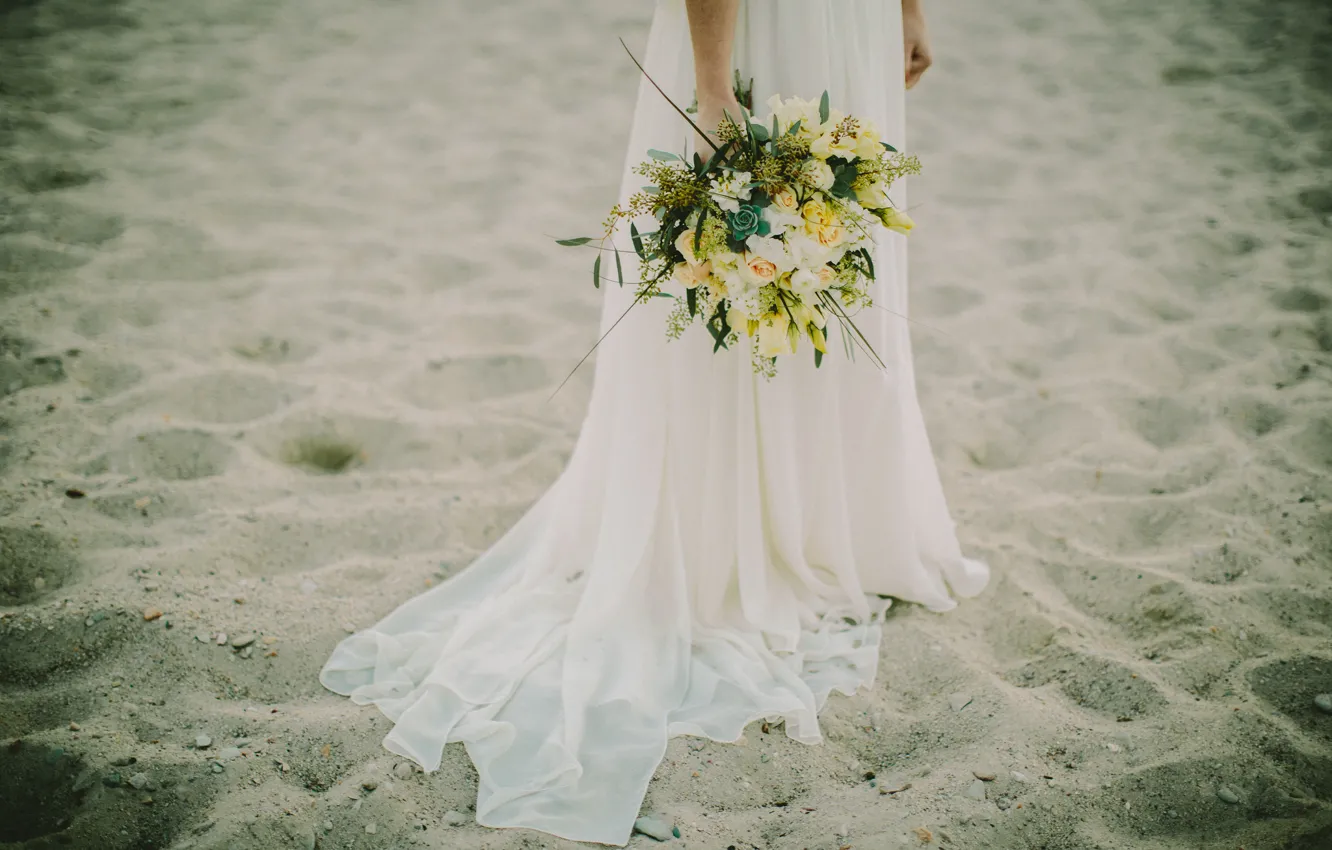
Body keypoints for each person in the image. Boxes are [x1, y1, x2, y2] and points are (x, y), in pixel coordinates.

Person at [319, 1, 988, 845]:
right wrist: (713, 87)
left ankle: (822, 521)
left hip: (850, 25)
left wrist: (904, 5)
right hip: (768, 30)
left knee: (832, 258)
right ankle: (731, 532)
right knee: (737, 262)